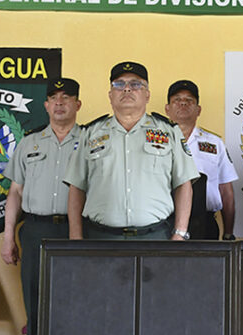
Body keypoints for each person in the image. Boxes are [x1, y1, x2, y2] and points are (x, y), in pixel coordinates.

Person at [1, 77, 83, 335]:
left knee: (77, 311)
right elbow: (15, 193)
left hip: (76, 232)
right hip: (34, 232)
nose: (60, 103)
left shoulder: (93, 141)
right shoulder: (29, 144)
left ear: (78, 104)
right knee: (37, 311)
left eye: (67, 97)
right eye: (53, 98)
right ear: (46, 105)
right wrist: (8, 237)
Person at [64, 62, 198, 240]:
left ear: (147, 95)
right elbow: (76, 187)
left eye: (135, 84)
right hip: (101, 238)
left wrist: (180, 233)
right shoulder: (90, 133)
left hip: (155, 237)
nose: (127, 89)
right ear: (110, 95)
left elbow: (183, 185)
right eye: (119, 84)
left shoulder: (169, 132)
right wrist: (75, 237)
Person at [165, 79, 237, 240]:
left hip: (205, 222)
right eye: (177, 100)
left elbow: (226, 191)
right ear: (167, 109)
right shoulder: (157, 142)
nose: (183, 103)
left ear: (198, 110)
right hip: (166, 221)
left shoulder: (214, 143)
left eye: (189, 100)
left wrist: (228, 232)